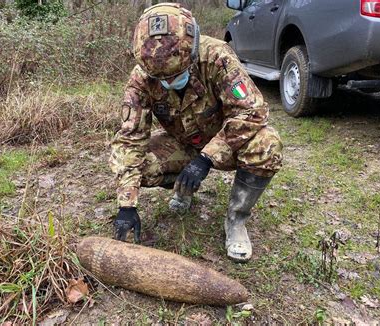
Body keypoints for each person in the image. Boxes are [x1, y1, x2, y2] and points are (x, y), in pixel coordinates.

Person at [109, 3, 283, 262]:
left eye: (176, 75)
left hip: (225, 143)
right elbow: (129, 138)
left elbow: (252, 112)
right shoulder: (142, 77)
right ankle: (183, 189)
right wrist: (127, 205)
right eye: (161, 79)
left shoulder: (216, 57)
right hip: (182, 143)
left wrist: (206, 158)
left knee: (266, 146)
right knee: (139, 164)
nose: (168, 83)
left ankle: (236, 220)